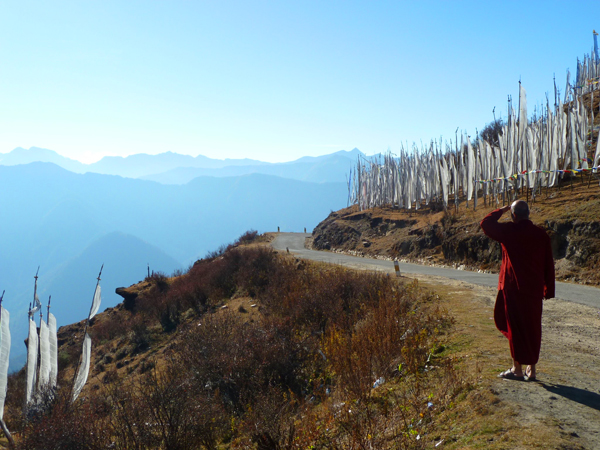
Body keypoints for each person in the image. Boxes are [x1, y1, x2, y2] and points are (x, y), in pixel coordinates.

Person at [480, 200, 555, 381]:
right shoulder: (541, 234)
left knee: (516, 328)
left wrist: (501, 210)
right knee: (533, 328)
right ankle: (533, 369)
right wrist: (548, 289)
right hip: (534, 290)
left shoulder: (508, 231)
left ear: (514, 215)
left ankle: (517, 369)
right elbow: (548, 264)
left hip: (513, 288)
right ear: (528, 214)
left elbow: (485, 224)